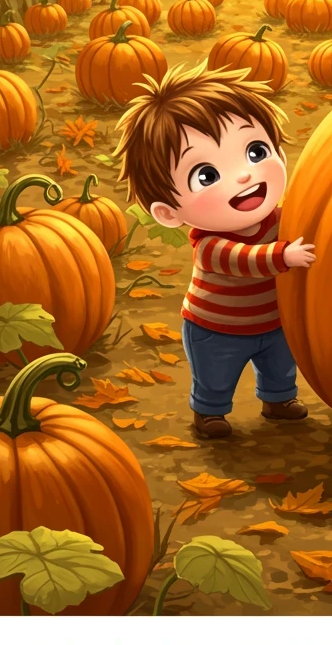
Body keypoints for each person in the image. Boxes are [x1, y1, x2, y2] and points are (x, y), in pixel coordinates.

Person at [114, 62, 315, 439]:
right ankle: (209, 412)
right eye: (206, 175)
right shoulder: (209, 244)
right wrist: (283, 257)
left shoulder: (281, 220)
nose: (244, 175)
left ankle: (278, 400)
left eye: (256, 151)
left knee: (280, 365)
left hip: (274, 321)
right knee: (215, 376)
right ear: (168, 213)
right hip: (216, 328)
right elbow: (244, 261)